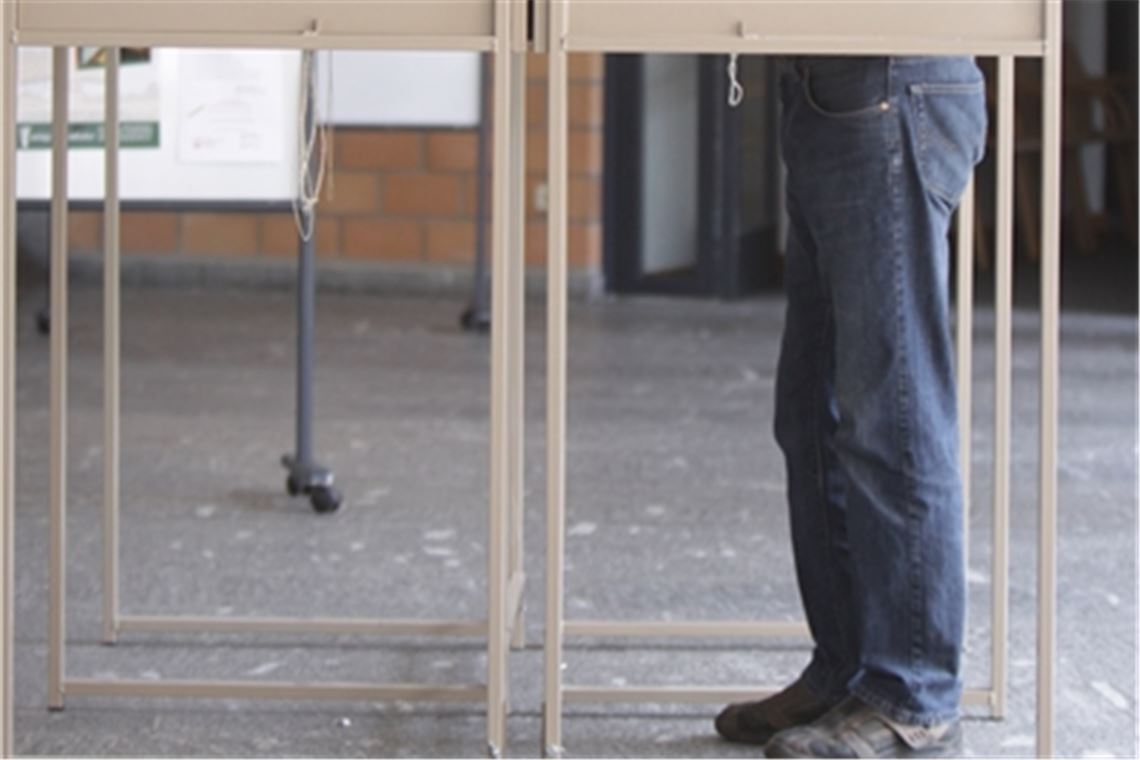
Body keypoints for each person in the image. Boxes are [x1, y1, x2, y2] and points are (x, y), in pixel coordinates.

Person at [714, 56, 987, 758]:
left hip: (889, 85)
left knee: (891, 415)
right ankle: (848, 669)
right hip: (827, 90)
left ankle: (910, 694)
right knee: (811, 416)